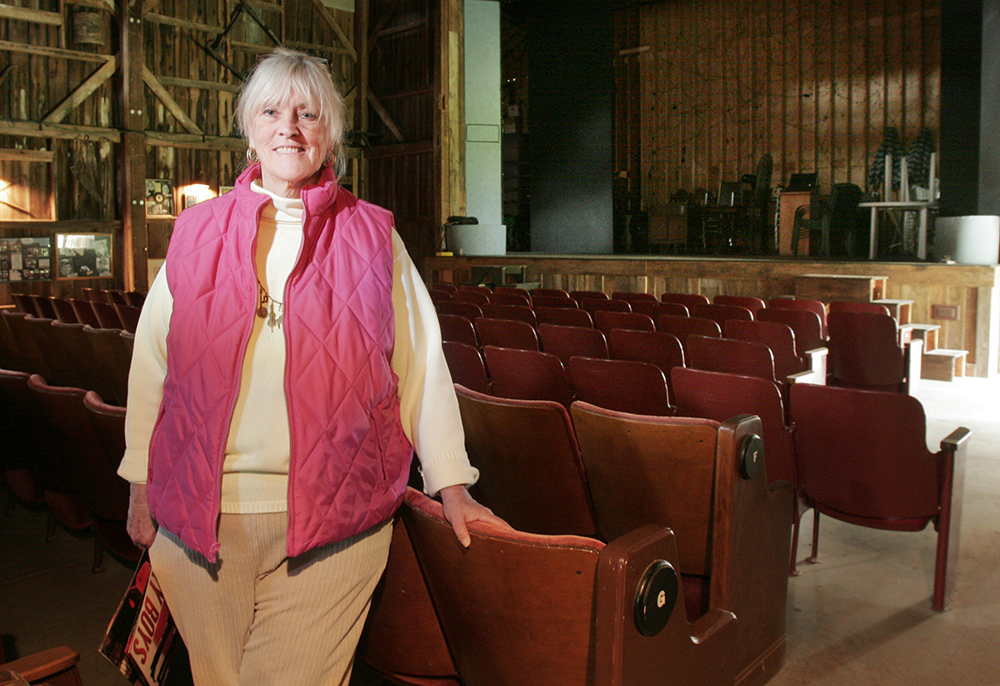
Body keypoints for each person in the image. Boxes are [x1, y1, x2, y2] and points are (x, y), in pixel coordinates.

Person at [119, 47, 506, 685]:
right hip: (197, 519)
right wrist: (139, 480)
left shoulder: (374, 235)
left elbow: (421, 366)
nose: (288, 128)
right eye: (271, 111)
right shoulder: (195, 230)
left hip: (335, 525)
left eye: (307, 114)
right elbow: (152, 362)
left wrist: (452, 484)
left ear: (330, 133)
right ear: (249, 127)